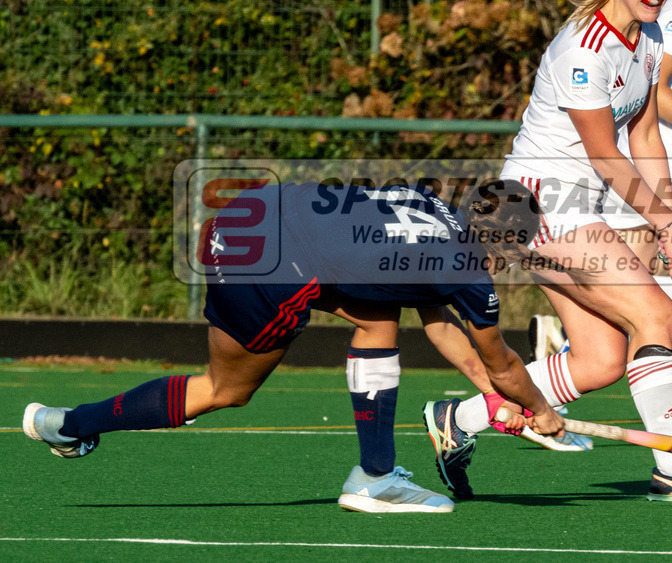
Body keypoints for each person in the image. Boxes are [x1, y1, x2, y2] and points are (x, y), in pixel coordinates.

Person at [424, 0, 672, 504]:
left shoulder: (650, 39)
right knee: (654, 315)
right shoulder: (585, 46)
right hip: (540, 205)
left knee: (600, 360)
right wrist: (668, 225)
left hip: (581, 207)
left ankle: (460, 419)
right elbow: (605, 153)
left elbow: (646, 134)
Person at [22, 178, 564, 514]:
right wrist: (539, 409)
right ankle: (68, 424)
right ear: (506, 240)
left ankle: (375, 476)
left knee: (377, 321)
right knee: (222, 389)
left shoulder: (427, 205)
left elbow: (438, 323)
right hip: (273, 264)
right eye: (516, 250)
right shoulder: (469, 271)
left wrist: (496, 400)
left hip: (247, 216)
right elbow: (503, 363)